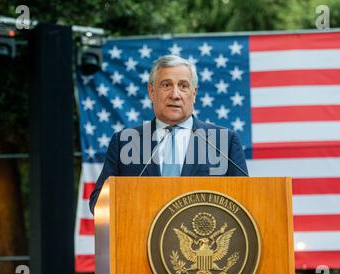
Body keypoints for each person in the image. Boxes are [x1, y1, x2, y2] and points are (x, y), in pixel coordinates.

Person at [89, 55, 248, 214]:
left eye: (183, 86)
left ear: (194, 94)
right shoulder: (124, 142)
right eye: (166, 85)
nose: (175, 94)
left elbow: (245, 200)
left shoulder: (224, 142)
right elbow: (98, 203)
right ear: (151, 92)